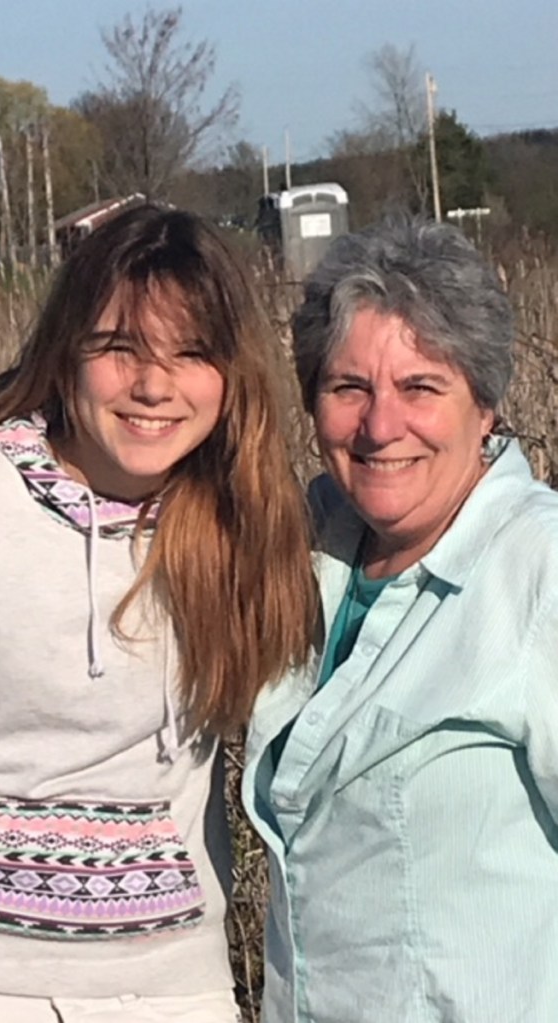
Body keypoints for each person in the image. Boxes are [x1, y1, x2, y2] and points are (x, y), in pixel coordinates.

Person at [0, 204, 316, 1023]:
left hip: (172, 987)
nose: (153, 386)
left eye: (191, 354)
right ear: (68, 353)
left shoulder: (244, 520)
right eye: (120, 347)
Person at [243, 213, 558, 1022]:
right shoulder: (303, 551)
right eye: (350, 388)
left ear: (485, 406)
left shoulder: (536, 568)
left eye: (421, 387)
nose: (381, 427)